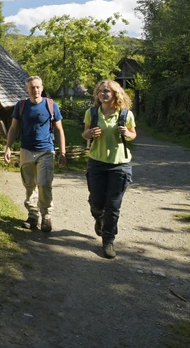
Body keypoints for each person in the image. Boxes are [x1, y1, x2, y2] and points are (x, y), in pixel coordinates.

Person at [82, 80, 137, 259]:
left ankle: (108, 241)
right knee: (96, 201)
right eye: (100, 91)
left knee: (113, 206)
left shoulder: (125, 114)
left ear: (115, 94)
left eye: (107, 91)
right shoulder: (91, 113)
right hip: (96, 163)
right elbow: (85, 133)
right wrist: (89, 134)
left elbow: (133, 134)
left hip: (120, 164)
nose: (103, 93)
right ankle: (99, 218)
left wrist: (127, 134)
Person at [4, 76, 67, 232]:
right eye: (32, 87)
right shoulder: (21, 106)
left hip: (46, 150)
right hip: (26, 150)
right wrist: (8, 147)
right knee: (29, 185)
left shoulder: (51, 105)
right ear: (27, 89)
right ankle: (33, 215)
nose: (36, 90)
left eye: (38, 87)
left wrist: (62, 152)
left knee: (44, 184)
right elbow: (13, 128)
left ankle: (46, 216)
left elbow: (59, 130)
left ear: (42, 88)